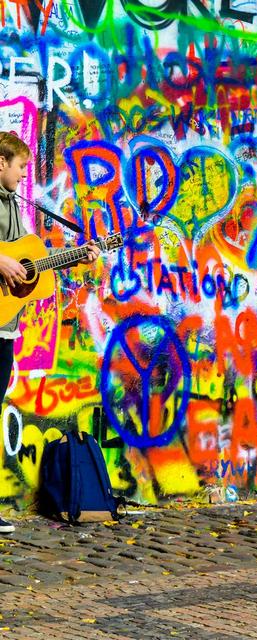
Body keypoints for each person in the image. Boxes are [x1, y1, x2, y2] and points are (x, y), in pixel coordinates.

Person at [0, 131, 100, 533]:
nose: (25, 175)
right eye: (21, 166)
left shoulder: (14, 206)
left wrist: (75, 258)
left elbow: (29, 262)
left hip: (5, 326)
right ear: (1, 163)